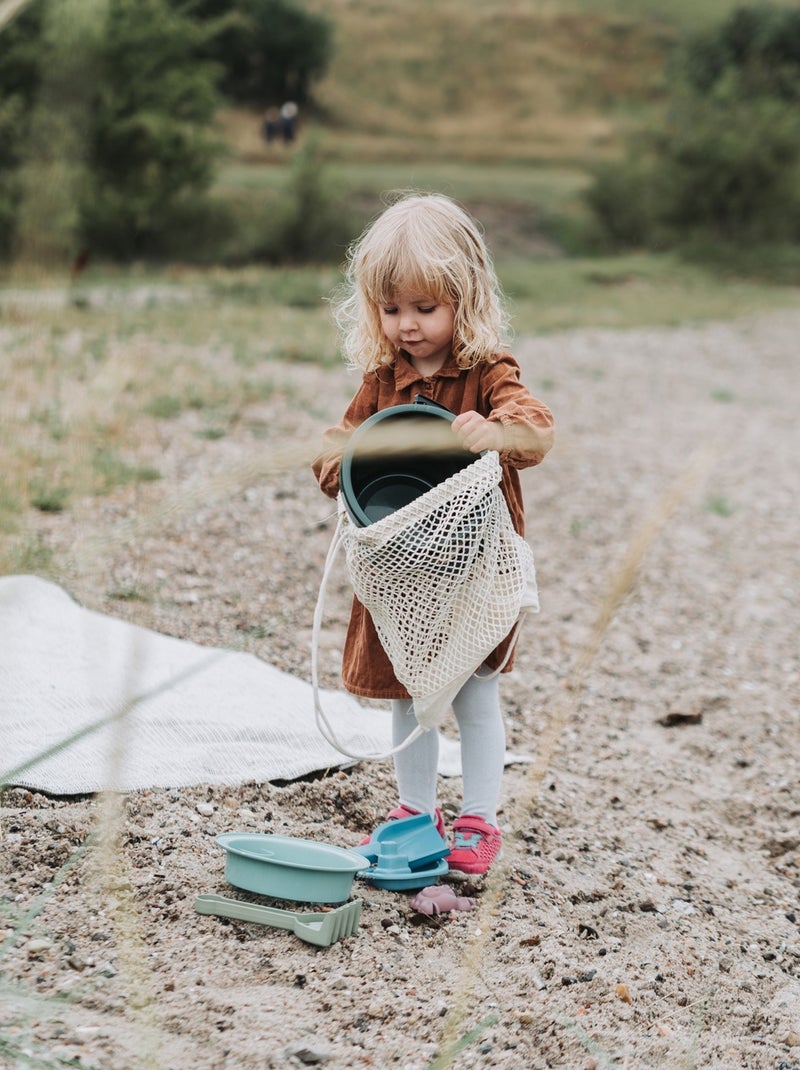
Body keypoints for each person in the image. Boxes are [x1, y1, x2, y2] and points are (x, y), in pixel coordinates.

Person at [312, 193, 555, 876]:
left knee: (476, 692)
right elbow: (336, 441)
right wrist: (338, 461)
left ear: (465, 299)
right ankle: (415, 811)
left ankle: (479, 817)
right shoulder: (381, 380)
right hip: (402, 574)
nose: (408, 327)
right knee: (408, 694)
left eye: (425, 308)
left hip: (473, 569)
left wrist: (496, 429)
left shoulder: (486, 371)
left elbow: (536, 426)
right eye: (391, 310)